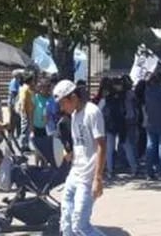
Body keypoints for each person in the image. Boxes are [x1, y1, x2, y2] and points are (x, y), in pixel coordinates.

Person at [54, 79, 106, 236]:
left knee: (80, 226)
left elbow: (102, 146)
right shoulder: (75, 115)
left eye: (63, 103)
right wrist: (68, 152)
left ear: (73, 97)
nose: (62, 108)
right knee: (66, 223)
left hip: (87, 177)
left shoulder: (92, 112)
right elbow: (78, 143)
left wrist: (98, 178)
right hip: (74, 173)